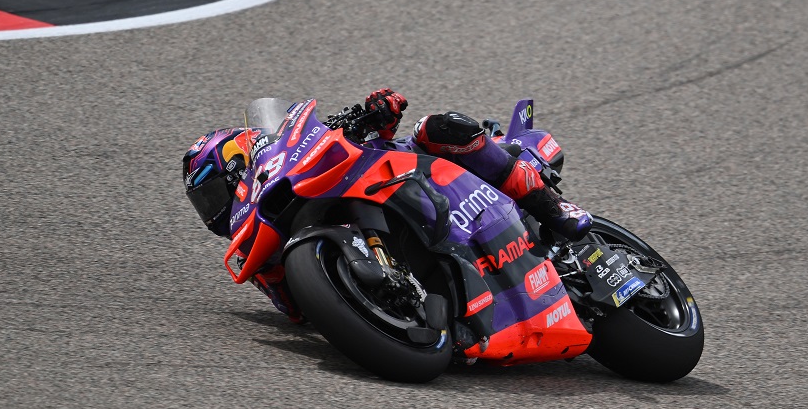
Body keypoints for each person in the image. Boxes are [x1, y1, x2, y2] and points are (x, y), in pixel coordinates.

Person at [182, 89, 592, 321]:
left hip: (417, 174)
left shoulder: (303, 153)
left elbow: (377, 131)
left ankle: (553, 207)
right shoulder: (258, 249)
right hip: (415, 257)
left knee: (437, 127)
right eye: (204, 204)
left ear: (240, 162)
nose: (212, 211)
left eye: (212, 193)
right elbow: (296, 311)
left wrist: (378, 111)